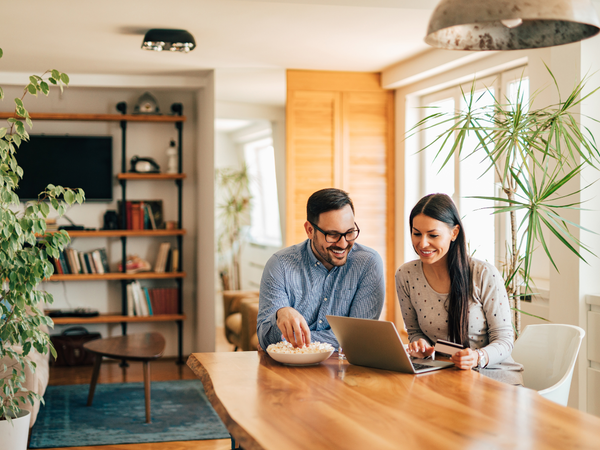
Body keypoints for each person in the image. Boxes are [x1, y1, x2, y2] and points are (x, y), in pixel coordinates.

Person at [396, 193, 522, 381]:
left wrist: (477, 357)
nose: (422, 243)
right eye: (416, 233)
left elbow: (504, 340)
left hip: (494, 378)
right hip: (444, 375)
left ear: (454, 233)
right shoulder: (406, 276)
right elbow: (415, 332)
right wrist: (420, 345)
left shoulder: (483, 274)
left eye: (433, 235)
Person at [257, 188, 385, 349]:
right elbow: (264, 337)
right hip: (288, 368)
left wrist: (289, 340)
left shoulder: (368, 263)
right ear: (310, 230)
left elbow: (359, 338)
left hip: (346, 371)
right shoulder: (280, 265)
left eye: (350, 232)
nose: (343, 244)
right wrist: (280, 314)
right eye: (332, 235)